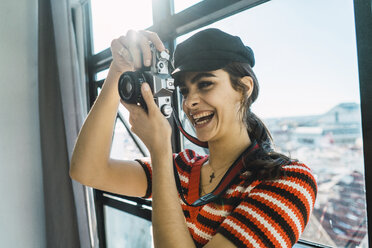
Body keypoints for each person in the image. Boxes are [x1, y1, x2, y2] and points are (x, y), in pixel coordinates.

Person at [70, 28, 317, 248]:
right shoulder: (182, 170)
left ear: (244, 88)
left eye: (205, 84)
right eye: (185, 90)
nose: (189, 102)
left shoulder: (288, 181)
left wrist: (160, 152)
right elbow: (87, 170)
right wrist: (118, 69)